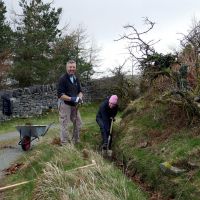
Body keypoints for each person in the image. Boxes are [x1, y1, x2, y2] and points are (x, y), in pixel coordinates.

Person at [57, 60, 83, 145]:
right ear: (66, 67)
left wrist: (79, 98)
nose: (72, 69)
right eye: (70, 67)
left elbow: (80, 91)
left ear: (75, 68)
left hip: (74, 105)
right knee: (65, 124)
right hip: (64, 104)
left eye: (73, 67)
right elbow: (60, 95)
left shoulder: (76, 78)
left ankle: (76, 141)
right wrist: (72, 99)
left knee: (78, 123)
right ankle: (64, 144)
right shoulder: (62, 79)